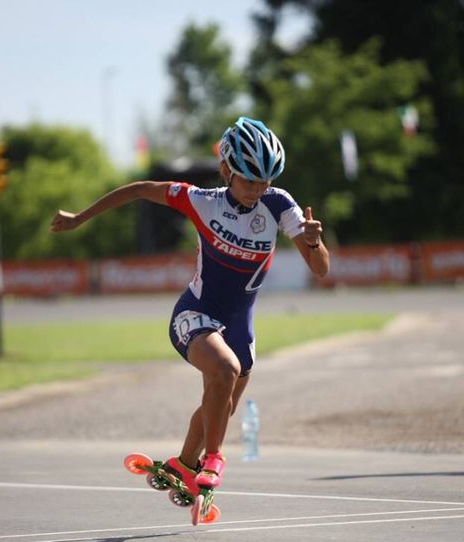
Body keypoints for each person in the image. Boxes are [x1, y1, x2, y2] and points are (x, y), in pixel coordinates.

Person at [50, 116, 329, 500]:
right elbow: (138, 191)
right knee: (225, 370)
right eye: (249, 180)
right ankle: (214, 458)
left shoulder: (279, 205)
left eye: (265, 180)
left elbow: (321, 269)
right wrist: (79, 218)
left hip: (239, 326)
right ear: (226, 170)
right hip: (194, 314)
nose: (257, 190)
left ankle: (184, 464)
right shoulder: (201, 200)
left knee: (220, 404)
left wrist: (314, 243)